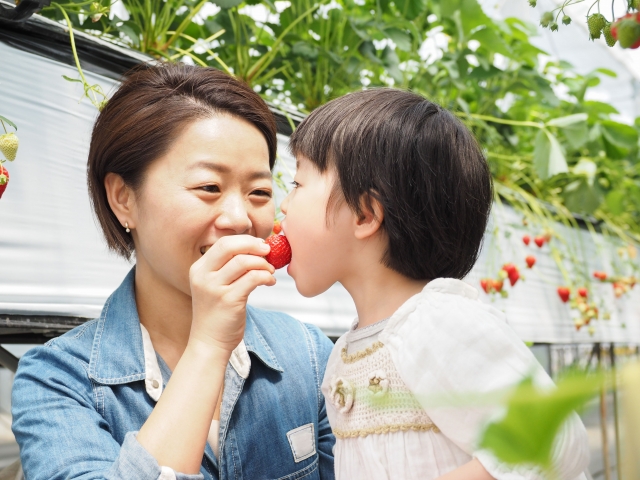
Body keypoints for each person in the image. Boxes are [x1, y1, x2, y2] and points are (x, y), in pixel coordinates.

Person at [11, 64, 335, 480]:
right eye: (208, 188)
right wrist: (208, 345)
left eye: (259, 192)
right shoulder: (57, 379)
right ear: (123, 198)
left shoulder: (310, 355)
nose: (239, 218)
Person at [279, 89, 590, 480]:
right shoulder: (347, 351)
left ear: (364, 214)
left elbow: (554, 441)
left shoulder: (437, 322)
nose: (283, 205)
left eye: (296, 183)